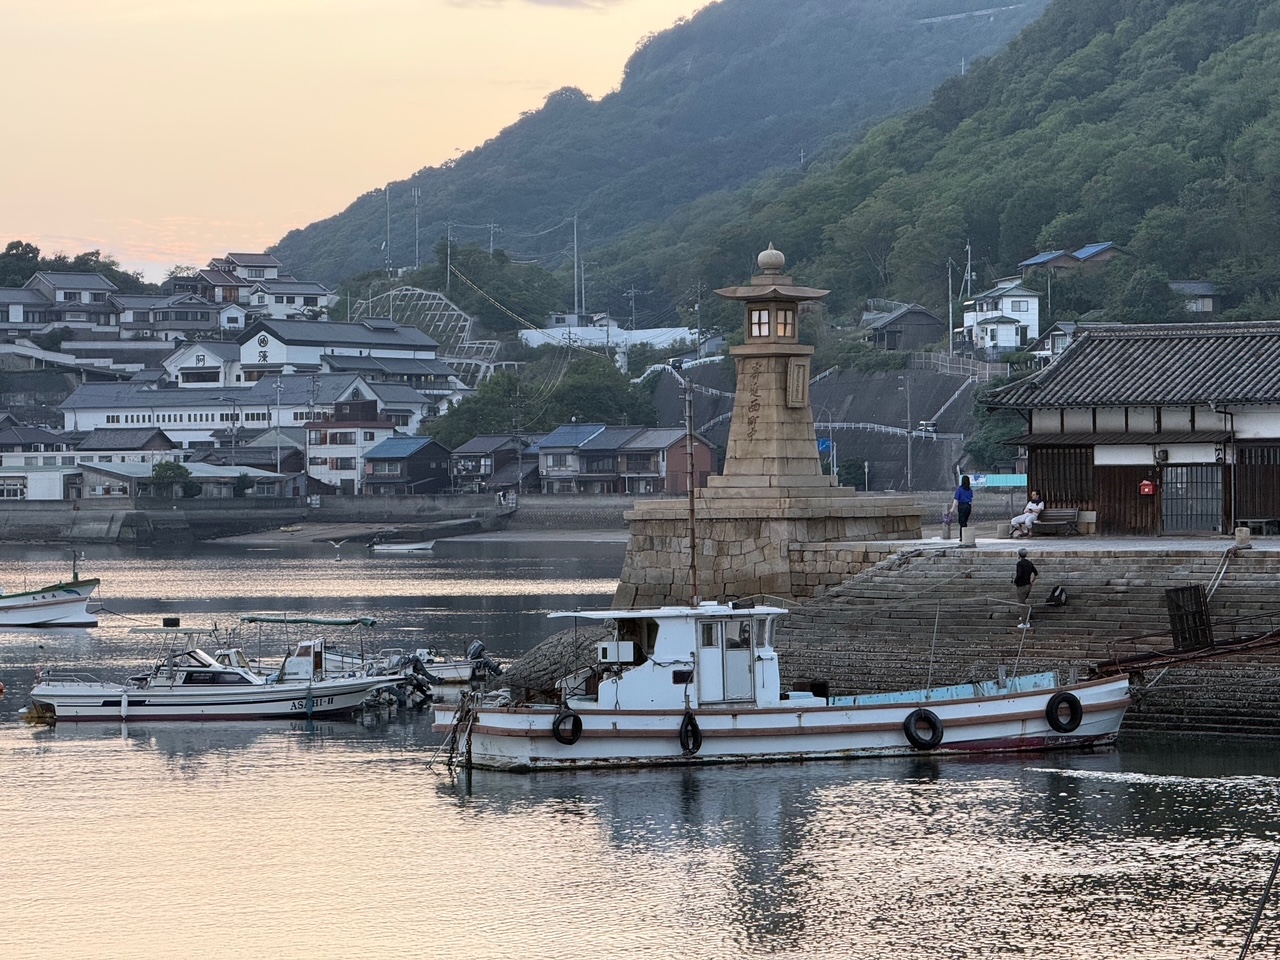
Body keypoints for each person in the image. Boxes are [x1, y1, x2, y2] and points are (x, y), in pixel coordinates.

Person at [950, 475, 973, 540]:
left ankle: (962, 537)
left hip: (962, 506)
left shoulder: (960, 489)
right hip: (968, 506)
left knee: (961, 522)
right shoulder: (970, 490)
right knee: (965, 521)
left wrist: (952, 508)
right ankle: (964, 536)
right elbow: (971, 499)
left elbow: (956, 499)